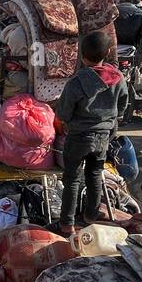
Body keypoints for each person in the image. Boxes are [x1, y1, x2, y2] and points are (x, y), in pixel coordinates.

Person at [55, 30, 128, 233]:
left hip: (79, 137)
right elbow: (122, 107)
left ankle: (67, 224)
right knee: (95, 175)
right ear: (107, 53)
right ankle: (90, 217)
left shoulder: (76, 82)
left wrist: (67, 122)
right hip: (104, 136)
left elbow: (63, 113)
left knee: (72, 179)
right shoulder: (118, 78)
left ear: (82, 54)